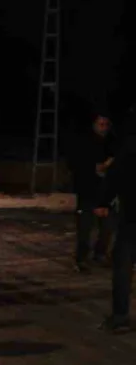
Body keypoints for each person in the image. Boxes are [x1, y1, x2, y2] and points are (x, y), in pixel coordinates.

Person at [96, 124, 136, 333]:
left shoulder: (130, 147)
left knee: (122, 266)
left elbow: (115, 175)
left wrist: (103, 201)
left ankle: (120, 316)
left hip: (132, 219)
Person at [68, 114, 116, 271]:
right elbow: (81, 167)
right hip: (88, 192)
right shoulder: (85, 143)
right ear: (94, 125)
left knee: (107, 227)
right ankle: (81, 259)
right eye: (100, 124)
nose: (103, 128)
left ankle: (100, 254)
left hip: (105, 194)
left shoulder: (110, 143)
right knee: (85, 228)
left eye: (106, 124)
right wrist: (98, 167)